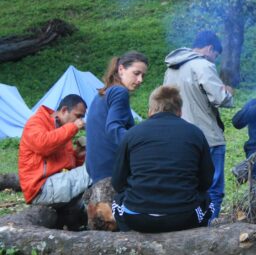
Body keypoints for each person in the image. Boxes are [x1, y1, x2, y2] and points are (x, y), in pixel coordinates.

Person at [112, 85, 215, 233]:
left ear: (150, 111)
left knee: (117, 201)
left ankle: (131, 239)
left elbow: (118, 182)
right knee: (208, 202)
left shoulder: (131, 134)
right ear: (179, 111)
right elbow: (206, 181)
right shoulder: (195, 133)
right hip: (184, 217)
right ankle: (195, 237)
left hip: (139, 218)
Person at [163, 30, 234, 219]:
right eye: (216, 56)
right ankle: (209, 230)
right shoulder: (202, 65)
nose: (215, 60)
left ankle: (189, 226)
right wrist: (228, 93)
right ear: (210, 49)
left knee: (188, 184)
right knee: (213, 187)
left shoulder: (171, 68)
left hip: (179, 137)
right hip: (207, 137)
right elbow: (221, 98)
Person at [86, 51, 148, 185]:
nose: (140, 80)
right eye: (136, 73)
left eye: (143, 76)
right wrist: (141, 146)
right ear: (121, 69)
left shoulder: (104, 93)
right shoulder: (120, 92)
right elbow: (114, 128)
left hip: (97, 170)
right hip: (111, 171)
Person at [18, 94, 89, 206]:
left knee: (92, 169)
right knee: (94, 170)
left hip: (55, 183)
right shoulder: (35, 122)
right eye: (78, 116)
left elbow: (68, 169)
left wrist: (78, 156)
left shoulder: (63, 129)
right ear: (64, 110)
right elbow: (43, 145)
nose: (80, 121)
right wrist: (73, 127)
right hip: (40, 189)